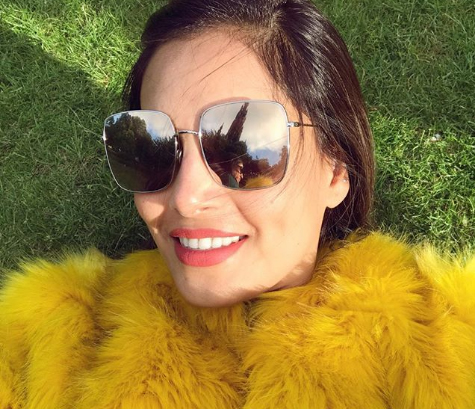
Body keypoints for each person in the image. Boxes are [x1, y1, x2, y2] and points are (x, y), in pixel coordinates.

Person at [0, 0, 474, 408]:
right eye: (152, 146)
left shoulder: (452, 337)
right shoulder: (47, 334)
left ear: (334, 169)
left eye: (243, 147)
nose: (186, 197)